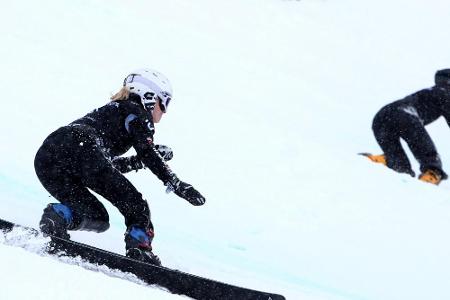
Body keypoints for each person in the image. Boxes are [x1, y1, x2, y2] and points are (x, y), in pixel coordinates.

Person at [34, 68, 206, 265]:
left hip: (49, 155)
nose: (164, 111)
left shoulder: (116, 110)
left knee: (95, 216)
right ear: (149, 96)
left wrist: (139, 160)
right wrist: (175, 183)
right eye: (164, 102)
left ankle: (58, 217)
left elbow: (103, 165)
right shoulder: (137, 111)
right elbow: (144, 153)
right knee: (137, 206)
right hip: (82, 147)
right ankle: (139, 249)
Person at [367, 69, 450, 185]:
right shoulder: (446, 92)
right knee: (426, 149)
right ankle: (431, 174)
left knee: (400, 166)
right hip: (404, 115)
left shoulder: (431, 91)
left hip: (381, 118)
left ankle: (381, 160)